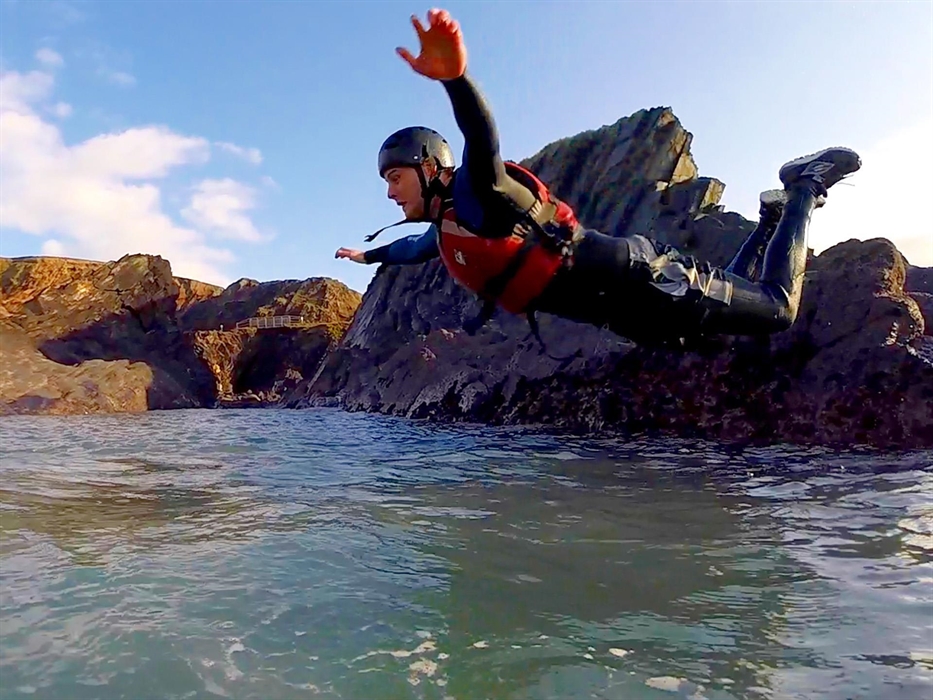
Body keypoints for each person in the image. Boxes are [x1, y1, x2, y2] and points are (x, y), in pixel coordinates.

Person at [335, 8, 861, 349]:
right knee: (720, 336)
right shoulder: (450, 224)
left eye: (395, 175)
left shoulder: (479, 194)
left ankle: (803, 188)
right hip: (626, 312)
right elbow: (409, 250)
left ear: (430, 168)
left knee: (775, 310)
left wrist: (456, 80)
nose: (389, 190)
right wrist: (366, 256)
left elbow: (482, 139)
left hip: (643, 279)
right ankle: (770, 219)